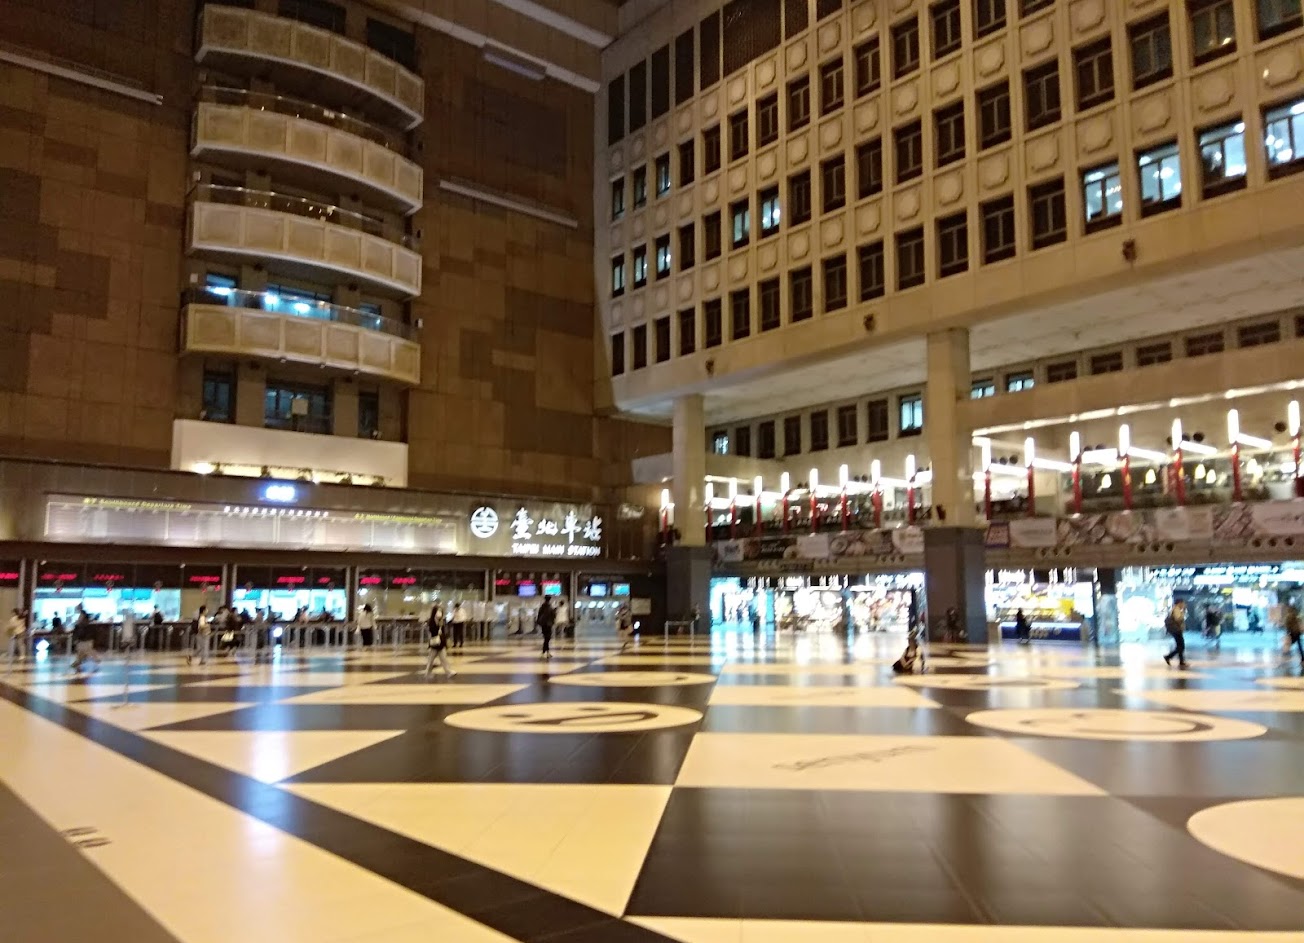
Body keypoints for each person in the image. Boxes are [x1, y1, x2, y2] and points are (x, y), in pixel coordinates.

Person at [424, 605, 455, 680]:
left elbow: (444, 632)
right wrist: (438, 627)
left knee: (444, 659)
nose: (439, 613)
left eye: (440, 611)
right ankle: (428, 673)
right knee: (431, 660)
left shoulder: (442, 621)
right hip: (434, 643)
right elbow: (432, 631)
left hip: (441, 643)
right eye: (438, 611)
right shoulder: (431, 621)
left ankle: (448, 672)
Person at [70, 606, 98, 674]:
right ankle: (78, 662)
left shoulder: (85, 625)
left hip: (85, 641)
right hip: (83, 641)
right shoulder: (80, 625)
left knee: (85, 651)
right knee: (82, 651)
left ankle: (79, 662)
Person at [1163, 600, 1188, 669]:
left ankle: (1181, 661)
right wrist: (1183, 612)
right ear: (1179, 603)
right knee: (1181, 646)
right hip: (1176, 630)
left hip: (1175, 630)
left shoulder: (1174, 609)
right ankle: (1169, 657)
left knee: (1180, 646)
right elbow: (1179, 619)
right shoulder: (1176, 609)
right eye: (1183, 603)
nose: (1184, 605)